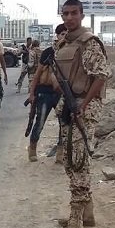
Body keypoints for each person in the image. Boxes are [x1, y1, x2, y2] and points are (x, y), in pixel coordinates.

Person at [54, 0, 110, 228]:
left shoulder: (90, 43)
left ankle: (76, 215)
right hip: (68, 107)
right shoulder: (62, 43)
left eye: (73, 13)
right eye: (65, 13)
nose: (69, 18)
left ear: (82, 15)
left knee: (78, 160)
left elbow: (101, 76)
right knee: (69, 160)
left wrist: (83, 104)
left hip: (84, 110)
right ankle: (88, 212)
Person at [26, 25, 67, 163]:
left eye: (67, 33)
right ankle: (32, 149)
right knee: (40, 122)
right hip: (44, 92)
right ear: (57, 35)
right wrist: (32, 93)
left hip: (62, 94)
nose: (64, 36)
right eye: (62, 33)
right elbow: (37, 74)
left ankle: (60, 154)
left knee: (64, 124)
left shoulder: (71, 52)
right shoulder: (49, 52)